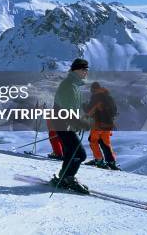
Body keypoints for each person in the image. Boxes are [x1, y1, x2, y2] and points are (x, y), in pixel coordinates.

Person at [51, 58, 91, 193]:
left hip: (63, 123)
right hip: (63, 123)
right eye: (84, 69)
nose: (86, 72)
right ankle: (68, 178)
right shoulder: (69, 86)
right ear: (76, 70)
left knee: (70, 152)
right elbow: (66, 111)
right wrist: (79, 123)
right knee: (79, 154)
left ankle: (64, 177)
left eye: (87, 70)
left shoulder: (73, 85)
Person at [84, 82, 120, 170]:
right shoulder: (109, 97)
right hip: (109, 124)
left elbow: (90, 111)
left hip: (98, 124)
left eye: (91, 90)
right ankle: (111, 161)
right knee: (105, 142)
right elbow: (115, 111)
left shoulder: (96, 97)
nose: (91, 91)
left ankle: (99, 160)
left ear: (94, 89)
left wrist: (84, 106)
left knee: (93, 140)